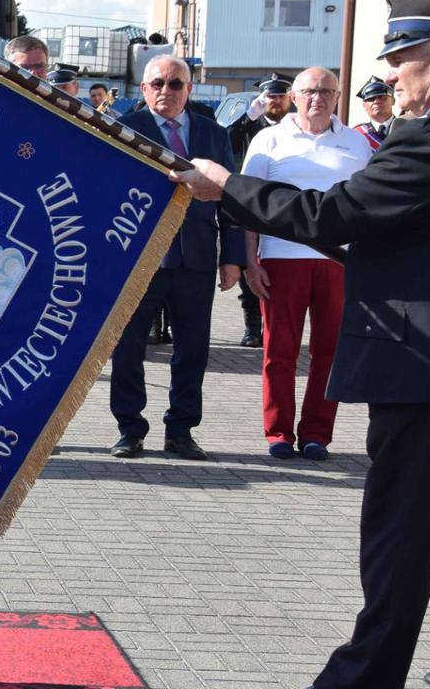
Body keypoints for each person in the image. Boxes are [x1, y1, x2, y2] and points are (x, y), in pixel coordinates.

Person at [173, 0, 430, 689]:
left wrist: (227, 189)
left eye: (403, 63)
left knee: (401, 529)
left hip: (421, 364)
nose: (393, 80)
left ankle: (360, 684)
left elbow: (333, 215)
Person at [106, 55, 242, 461]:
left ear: (190, 89)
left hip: (196, 258)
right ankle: (130, 430)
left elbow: (231, 199)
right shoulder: (125, 130)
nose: (167, 91)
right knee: (128, 348)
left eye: (176, 84)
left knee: (193, 351)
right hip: (140, 261)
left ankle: (180, 431)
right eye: (158, 83)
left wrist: (232, 258)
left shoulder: (213, 134)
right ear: (144, 89)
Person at [237, 67, 372, 462]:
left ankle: (316, 434)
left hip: (339, 262)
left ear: (338, 96)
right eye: (310, 91)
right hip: (281, 259)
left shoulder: (356, 143)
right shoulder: (268, 139)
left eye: (327, 91)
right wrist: (251, 261)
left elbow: (367, 205)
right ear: (294, 96)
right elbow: (247, 206)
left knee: (329, 353)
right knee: (279, 351)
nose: (319, 98)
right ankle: (278, 432)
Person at [225, 72, 292, 348]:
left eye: (279, 96)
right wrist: (250, 116)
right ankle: (253, 328)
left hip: (283, 205)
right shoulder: (250, 124)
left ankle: (275, 325)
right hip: (251, 205)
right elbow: (227, 140)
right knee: (248, 265)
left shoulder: (294, 126)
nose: (274, 101)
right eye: (270, 96)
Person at [353, 77, 399, 148]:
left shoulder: (406, 127)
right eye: (371, 99)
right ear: (364, 105)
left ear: (393, 101)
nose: (376, 101)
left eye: (382, 97)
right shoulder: (357, 133)